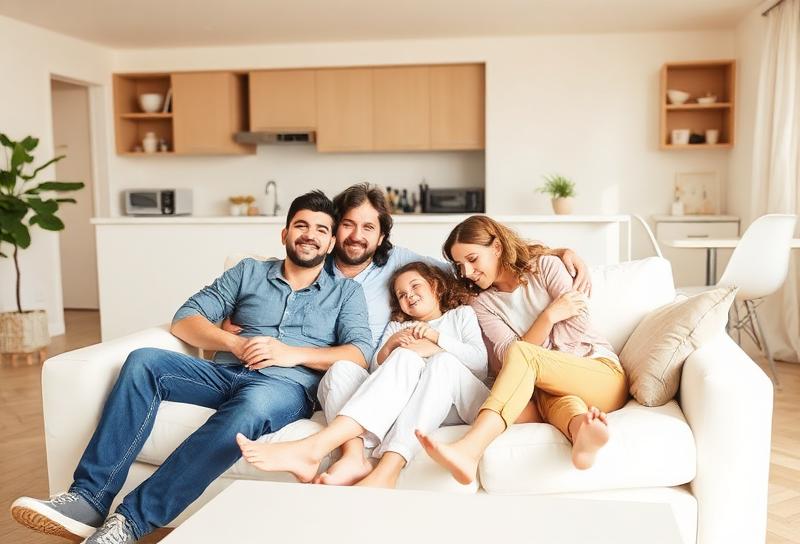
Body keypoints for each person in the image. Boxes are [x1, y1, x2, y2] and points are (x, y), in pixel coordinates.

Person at [11, 191, 373, 544]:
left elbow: (359, 353)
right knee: (144, 362)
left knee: (251, 407)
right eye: (301, 225)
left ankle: (131, 522)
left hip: (282, 387)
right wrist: (234, 342)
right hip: (224, 372)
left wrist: (292, 354)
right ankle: (88, 499)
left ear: (329, 244)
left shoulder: (345, 293)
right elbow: (184, 320)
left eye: (321, 230)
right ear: (285, 233)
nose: (310, 235)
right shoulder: (248, 272)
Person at [225, 183, 592, 486]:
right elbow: (275, 293)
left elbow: (473, 268)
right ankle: (353, 457)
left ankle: (330, 451)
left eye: (368, 227)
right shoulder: (312, 262)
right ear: (333, 230)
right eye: (347, 225)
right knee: (342, 371)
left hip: (445, 384)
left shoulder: (418, 276)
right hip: (373, 378)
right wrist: (239, 316)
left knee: (420, 361)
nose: (356, 236)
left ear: (382, 234)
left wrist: (551, 253)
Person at [236, 261, 491, 488]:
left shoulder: (460, 316)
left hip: (456, 401)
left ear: (435, 285)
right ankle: (353, 457)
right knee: (342, 369)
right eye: (401, 295)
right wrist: (390, 347)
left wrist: (435, 343)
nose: (409, 296)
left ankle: (316, 447)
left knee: (439, 361)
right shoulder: (398, 326)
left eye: (415, 287)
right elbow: (375, 378)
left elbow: (479, 364)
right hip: (406, 405)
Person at [416, 215, 628, 485]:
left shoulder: (546, 267)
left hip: (601, 372)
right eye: (460, 266)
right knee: (551, 396)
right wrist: (549, 316)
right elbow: (506, 355)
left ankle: (470, 448)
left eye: (472, 259)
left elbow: (577, 323)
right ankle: (582, 434)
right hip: (553, 389)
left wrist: (538, 352)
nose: (467, 272)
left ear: (496, 248)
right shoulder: (483, 304)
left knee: (524, 355)